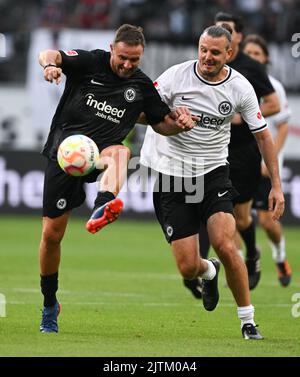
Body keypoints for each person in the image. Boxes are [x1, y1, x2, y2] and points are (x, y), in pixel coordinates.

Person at [38, 24, 195, 333]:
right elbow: (50, 54)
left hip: (101, 154)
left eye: (134, 60)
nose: (127, 65)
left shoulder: (141, 86)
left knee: (122, 154)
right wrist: (50, 67)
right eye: (123, 57)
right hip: (65, 156)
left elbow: (161, 123)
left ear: (141, 56)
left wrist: (181, 124)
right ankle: (49, 304)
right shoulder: (90, 62)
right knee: (51, 236)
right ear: (112, 48)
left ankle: (104, 204)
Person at [140, 25, 284, 339]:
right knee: (188, 268)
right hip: (173, 178)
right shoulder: (175, 77)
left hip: (213, 174)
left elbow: (263, 136)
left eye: (215, 52)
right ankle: (209, 270)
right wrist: (169, 116)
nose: (207, 57)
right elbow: (141, 112)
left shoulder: (240, 87)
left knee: (225, 243)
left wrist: (276, 184)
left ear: (229, 54)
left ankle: (248, 322)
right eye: (203, 49)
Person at [184, 12, 281, 298]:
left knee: (241, 217)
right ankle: (197, 271)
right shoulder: (199, 68)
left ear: (236, 38)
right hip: (209, 153)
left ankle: (252, 253)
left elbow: (273, 104)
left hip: (242, 152)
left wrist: (241, 117)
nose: (219, 34)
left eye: (227, 30)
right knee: (205, 213)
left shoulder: (249, 70)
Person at [243, 34, 292, 286]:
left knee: (267, 221)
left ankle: (280, 254)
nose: (252, 58)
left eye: (256, 54)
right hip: (241, 160)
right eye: (248, 53)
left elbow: (283, 126)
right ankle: (245, 262)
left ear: (265, 59)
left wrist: (274, 159)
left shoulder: (273, 87)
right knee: (234, 217)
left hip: (263, 164)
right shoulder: (235, 82)